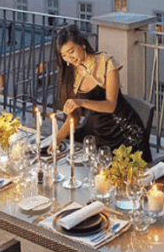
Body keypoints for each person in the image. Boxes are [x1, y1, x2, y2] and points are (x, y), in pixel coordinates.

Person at [48, 24, 150, 160]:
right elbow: (75, 117)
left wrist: (81, 102)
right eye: (64, 55)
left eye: (71, 51)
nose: (69, 59)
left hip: (126, 133)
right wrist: (58, 138)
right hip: (100, 135)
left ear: (82, 44)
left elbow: (110, 105)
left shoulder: (106, 63)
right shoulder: (70, 74)